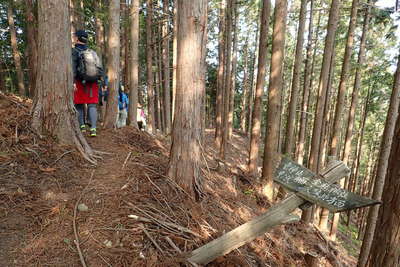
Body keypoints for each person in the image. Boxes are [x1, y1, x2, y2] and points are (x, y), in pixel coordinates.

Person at [72, 30, 104, 137]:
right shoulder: (92, 52)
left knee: (79, 105)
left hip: (80, 81)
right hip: (93, 82)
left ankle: (82, 128)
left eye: (74, 36)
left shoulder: (74, 51)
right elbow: (100, 69)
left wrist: (73, 82)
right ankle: (93, 129)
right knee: (92, 105)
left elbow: (72, 68)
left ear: (77, 38)